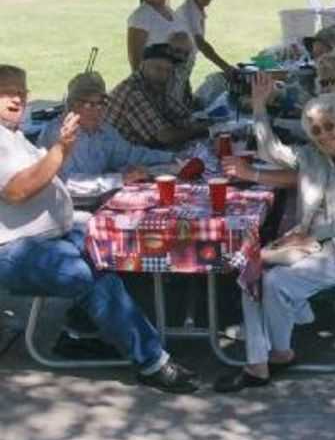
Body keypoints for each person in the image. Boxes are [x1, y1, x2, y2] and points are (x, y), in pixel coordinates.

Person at [0, 65, 197, 393]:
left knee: (116, 245)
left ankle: (80, 333)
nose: (17, 98)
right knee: (85, 273)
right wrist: (61, 149)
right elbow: (18, 191)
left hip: (50, 235)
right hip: (14, 248)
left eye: (21, 91)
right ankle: (152, 362)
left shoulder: (14, 135)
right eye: (6, 92)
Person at [214, 75, 335, 393]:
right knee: (250, 271)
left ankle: (279, 353)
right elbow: (269, 151)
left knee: (275, 281)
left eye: (330, 126)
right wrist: (258, 106)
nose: (324, 135)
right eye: (317, 130)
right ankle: (260, 361)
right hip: (312, 246)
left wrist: (310, 233)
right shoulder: (313, 155)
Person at [38, 72, 172, 196]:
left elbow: (129, 154)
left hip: (98, 198)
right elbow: (68, 182)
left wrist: (170, 157)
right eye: (90, 104)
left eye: (101, 103)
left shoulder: (103, 130)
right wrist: (119, 179)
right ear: (72, 105)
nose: (98, 110)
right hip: (67, 206)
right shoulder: (58, 134)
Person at [106, 43, 209, 149]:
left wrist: (203, 122)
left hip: (138, 152)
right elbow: (165, 137)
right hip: (118, 158)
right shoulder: (133, 91)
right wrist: (200, 129)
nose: (164, 76)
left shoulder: (154, 85)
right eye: (158, 69)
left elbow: (182, 115)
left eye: (168, 70)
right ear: (143, 66)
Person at [175, 0, 234, 83]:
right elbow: (201, 44)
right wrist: (226, 67)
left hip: (183, 64)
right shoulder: (189, 11)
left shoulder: (195, 8)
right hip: (174, 67)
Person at [126, 0, 187, 71]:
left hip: (176, 81)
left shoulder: (171, 12)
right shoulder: (140, 17)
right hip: (155, 83)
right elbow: (135, 63)